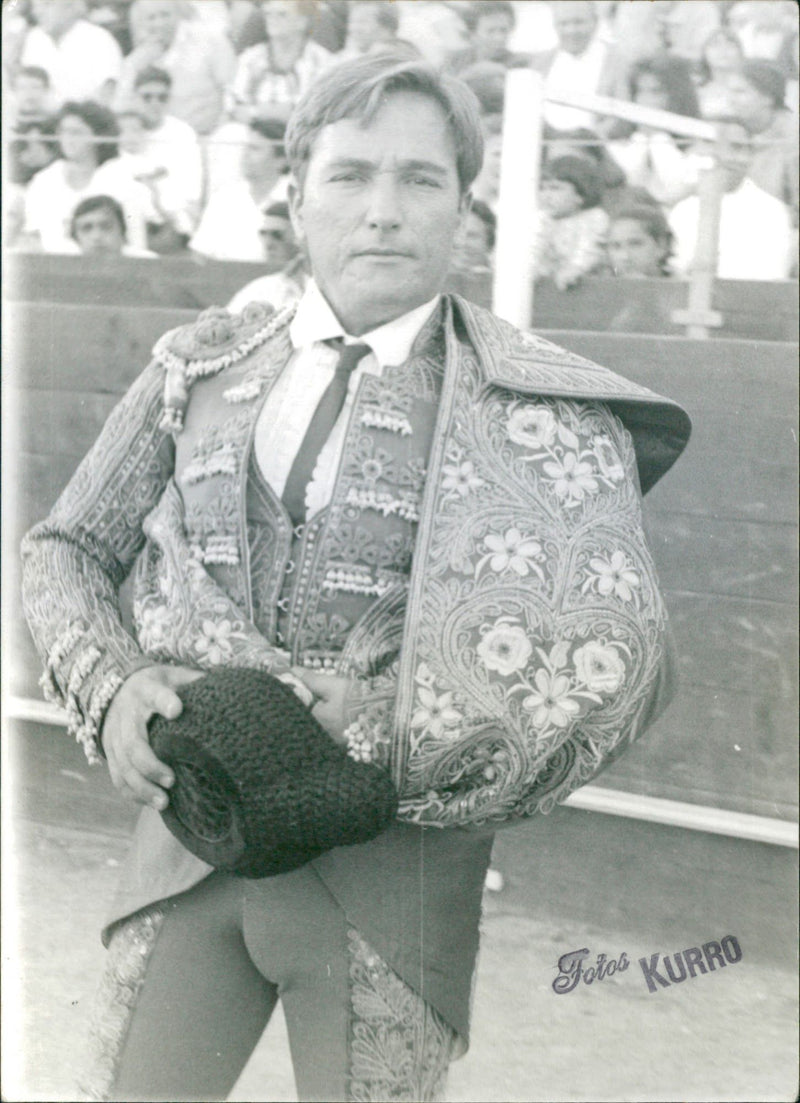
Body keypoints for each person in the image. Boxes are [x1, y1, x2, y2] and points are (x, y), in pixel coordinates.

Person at [21, 53, 690, 1103]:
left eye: (419, 180)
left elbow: (611, 651)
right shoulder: (197, 363)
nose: (382, 210)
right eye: (350, 176)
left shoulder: (534, 409)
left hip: (393, 877)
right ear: (295, 195)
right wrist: (106, 688)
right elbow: (63, 547)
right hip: (191, 839)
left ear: (460, 207)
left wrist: (387, 720)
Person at [669, 117, 794, 280]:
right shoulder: (682, 211)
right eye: (710, 143)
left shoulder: (771, 211)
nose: (723, 155)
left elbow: (768, 278)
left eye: (736, 147)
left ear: (750, 155)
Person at [21, 100, 149, 253]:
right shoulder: (43, 182)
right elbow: (33, 239)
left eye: (76, 132)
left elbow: (136, 243)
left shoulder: (123, 180)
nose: (68, 139)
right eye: (63, 132)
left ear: (99, 136)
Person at [115, 0, 237, 136]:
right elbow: (119, 107)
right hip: (157, 140)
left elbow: (230, 95)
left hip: (207, 136)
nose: (159, 23)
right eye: (151, 17)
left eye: (165, 15)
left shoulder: (211, 42)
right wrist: (137, 66)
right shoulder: (137, 59)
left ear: (178, 14)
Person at [606, 56, 701, 208]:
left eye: (656, 92)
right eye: (640, 91)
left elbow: (675, 190)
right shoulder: (621, 138)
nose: (645, 101)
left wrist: (658, 138)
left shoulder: (698, 143)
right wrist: (642, 140)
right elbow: (626, 183)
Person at [190, 118, 289, 262]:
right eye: (246, 147)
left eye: (255, 149)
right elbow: (200, 255)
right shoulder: (224, 198)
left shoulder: (297, 198)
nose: (245, 154)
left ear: (280, 160)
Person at [126, 65, 204, 243]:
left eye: (162, 98)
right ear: (134, 97)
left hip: (169, 219)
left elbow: (190, 191)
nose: (155, 104)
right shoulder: (121, 130)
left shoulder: (183, 134)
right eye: (147, 97)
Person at [724, 60, 798, 215]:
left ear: (768, 98)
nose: (731, 99)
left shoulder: (793, 137)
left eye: (740, 92)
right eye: (730, 91)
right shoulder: (732, 130)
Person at [19, 0, 122, 108]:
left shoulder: (99, 39)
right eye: (36, 6)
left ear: (70, 7)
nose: (38, 12)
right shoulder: (34, 39)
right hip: (41, 118)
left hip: (85, 119)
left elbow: (107, 94)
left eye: (47, 4)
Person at [532, 154, 610, 289]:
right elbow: (533, 248)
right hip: (550, 284)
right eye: (542, 188)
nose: (546, 195)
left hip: (586, 284)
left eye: (555, 188)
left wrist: (576, 267)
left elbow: (589, 249)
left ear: (579, 196)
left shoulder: (594, 218)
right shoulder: (542, 219)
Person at [69, 193, 156, 257]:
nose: (97, 236)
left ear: (122, 231)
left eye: (106, 227)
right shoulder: (64, 267)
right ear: (75, 237)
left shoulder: (149, 263)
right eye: (86, 229)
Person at [605, 204, 674, 278]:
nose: (625, 257)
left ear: (661, 246)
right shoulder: (600, 287)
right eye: (616, 246)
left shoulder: (683, 287)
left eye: (635, 244)